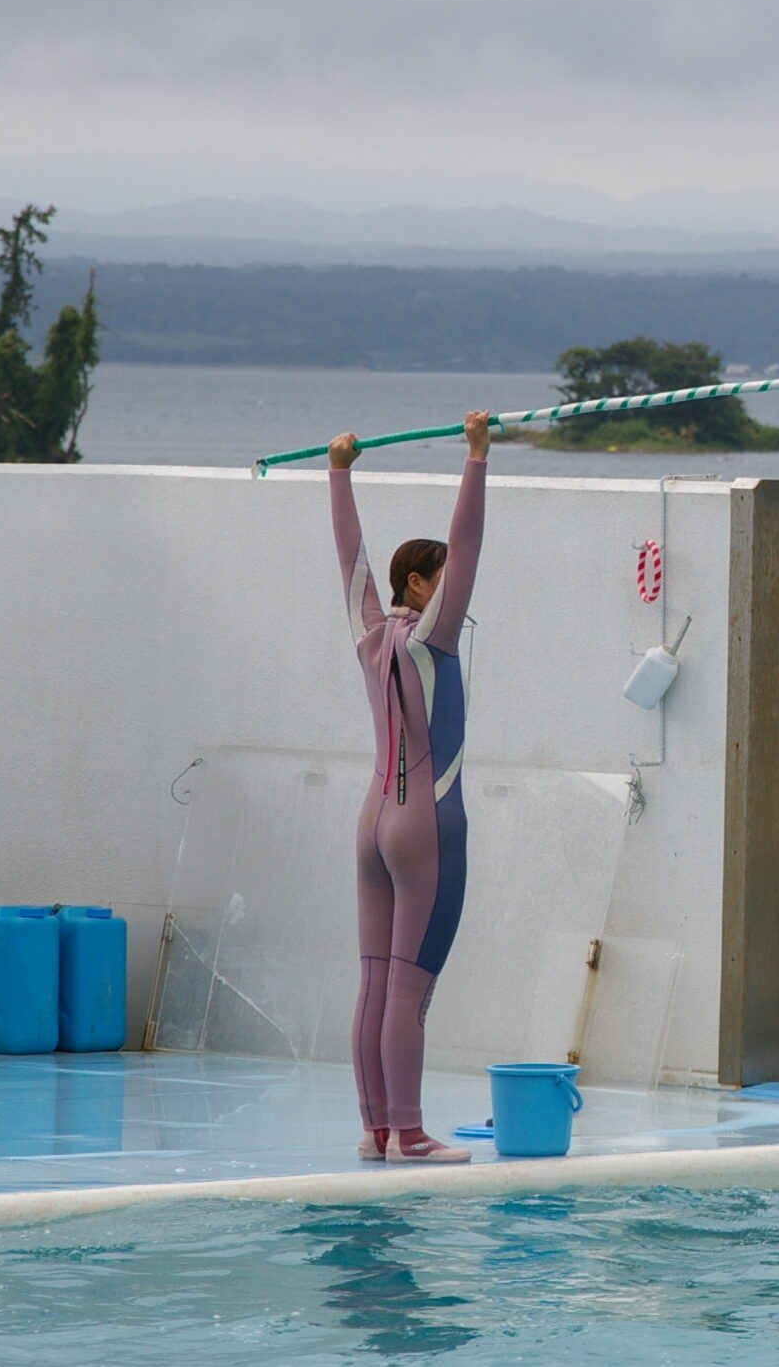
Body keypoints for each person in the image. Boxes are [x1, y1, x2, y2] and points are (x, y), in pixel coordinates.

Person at [327, 412, 490, 1163]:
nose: (446, 588)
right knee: (407, 991)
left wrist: (339, 472)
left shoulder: (369, 633)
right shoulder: (432, 638)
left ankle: (376, 1129)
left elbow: (351, 558)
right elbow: (468, 547)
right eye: (437, 581)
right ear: (419, 583)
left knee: (371, 984)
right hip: (426, 825)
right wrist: (476, 458)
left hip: (372, 822)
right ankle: (414, 1134)